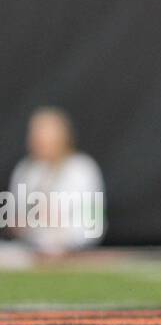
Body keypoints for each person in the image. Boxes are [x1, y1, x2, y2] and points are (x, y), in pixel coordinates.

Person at [7, 107, 104, 257]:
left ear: (63, 136)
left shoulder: (82, 170)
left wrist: (64, 238)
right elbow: (16, 220)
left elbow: (94, 223)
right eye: (36, 135)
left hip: (74, 255)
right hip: (31, 254)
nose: (39, 140)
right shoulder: (26, 170)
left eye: (46, 135)